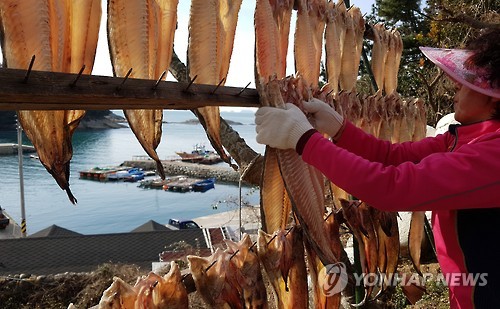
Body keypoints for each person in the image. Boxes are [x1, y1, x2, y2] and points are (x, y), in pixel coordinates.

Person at [255, 29, 500, 309]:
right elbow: (392, 156)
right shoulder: (463, 138)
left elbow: (392, 187)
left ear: (492, 96)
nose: (454, 87)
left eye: (465, 82)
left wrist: (303, 140)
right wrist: (339, 129)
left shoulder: (493, 154)